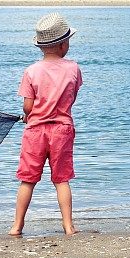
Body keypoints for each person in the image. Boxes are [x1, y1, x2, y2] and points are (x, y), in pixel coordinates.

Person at [9, 13, 83, 236]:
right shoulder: (73, 68)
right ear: (63, 44)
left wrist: (29, 115)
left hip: (35, 132)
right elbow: (71, 96)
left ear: (41, 46)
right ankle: (68, 226)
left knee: (27, 180)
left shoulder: (31, 71)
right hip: (62, 130)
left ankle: (17, 226)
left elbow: (28, 107)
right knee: (62, 180)